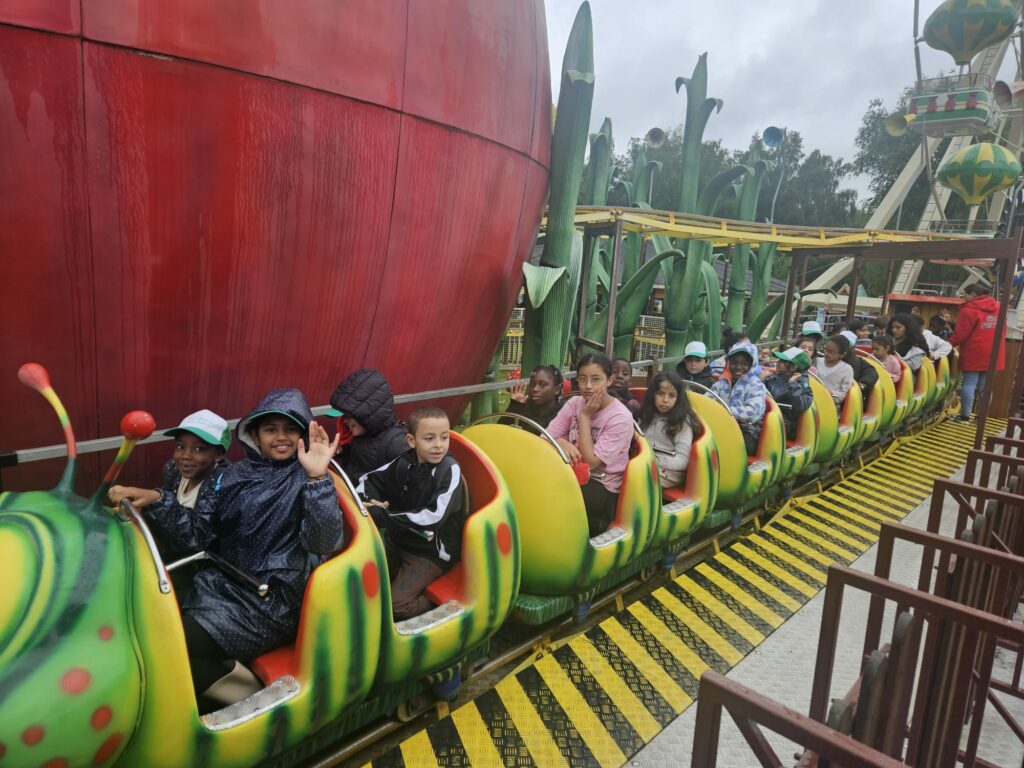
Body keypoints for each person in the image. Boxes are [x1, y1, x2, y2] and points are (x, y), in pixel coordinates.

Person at [111, 388, 344, 704]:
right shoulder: (233, 475)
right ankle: (227, 682)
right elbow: (199, 535)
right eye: (271, 429)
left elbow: (324, 541)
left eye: (291, 429)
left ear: (302, 435)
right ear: (255, 435)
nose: (281, 437)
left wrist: (318, 479)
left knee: (164, 648)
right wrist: (159, 499)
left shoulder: (306, 479)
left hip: (267, 600)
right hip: (216, 583)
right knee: (142, 629)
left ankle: (250, 695)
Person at [357, 406, 465, 620]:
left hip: (430, 552)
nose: (438, 445)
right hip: (399, 542)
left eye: (444, 438)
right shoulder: (404, 462)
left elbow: (433, 516)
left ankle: (435, 603)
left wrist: (384, 516)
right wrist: (369, 501)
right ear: (411, 441)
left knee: (396, 607)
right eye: (429, 438)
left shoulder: (449, 470)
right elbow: (367, 480)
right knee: (363, 584)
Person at [547, 354, 635, 537]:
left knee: (555, 494)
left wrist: (585, 417)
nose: (588, 386)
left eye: (596, 379)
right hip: (569, 471)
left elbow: (591, 461)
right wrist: (560, 442)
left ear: (609, 380)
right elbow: (543, 438)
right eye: (582, 379)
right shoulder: (574, 403)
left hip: (601, 483)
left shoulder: (620, 417)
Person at [110, 409, 231, 512]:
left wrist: (158, 499)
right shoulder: (173, 469)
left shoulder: (223, 488)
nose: (186, 455)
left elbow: (200, 535)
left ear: (219, 455)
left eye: (199, 449)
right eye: (180, 446)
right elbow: (170, 511)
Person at [327, 368, 409, 481]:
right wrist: (342, 452)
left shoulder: (397, 445)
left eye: (348, 416)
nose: (344, 421)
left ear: (368, 413)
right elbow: (360, 462)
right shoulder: (362, 434)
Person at [949, 283, 1006, 421]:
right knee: (985, 386)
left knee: (969, 383)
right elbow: (1004, 329)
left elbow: (961, 334)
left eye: (965, 295)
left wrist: (947, 344)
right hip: (994, 352)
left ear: (973, 294)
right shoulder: (998, 307)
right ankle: (982, 417)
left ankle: (965, 416)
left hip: (974, 351)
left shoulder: (968, 310)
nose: (963, 298)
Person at [637, 371, 695, 488]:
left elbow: (682, 461)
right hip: (644, 462)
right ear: (653, 394)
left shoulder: (682, 422)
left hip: (670, 471)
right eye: (660, 393)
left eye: (672, 395)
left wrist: (655, 460)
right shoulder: (645, 414)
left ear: (678, 399)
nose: (665, 400)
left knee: (637, 476)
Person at [710, 341, 768, 456]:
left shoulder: (756, 386)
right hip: (722, 424)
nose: (738, 367)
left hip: (747, 431)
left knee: (727, 443)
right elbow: (708, 398)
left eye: (744, 364)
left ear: (752, 365)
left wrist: (724, 410)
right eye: (734, 363)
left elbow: (753, 413)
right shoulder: (723, 382)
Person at [764, 347, 814, 440]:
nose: (778, 362)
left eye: (782, 361)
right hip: (770, 416)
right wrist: (761, 380)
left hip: (786, 423)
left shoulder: (802, 385)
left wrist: (792, 385)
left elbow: (802, 405)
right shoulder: (778, 377)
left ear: (794, 366)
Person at [504, 364, 565, 430]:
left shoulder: (564, 413)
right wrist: (514, 406)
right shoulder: (524, 406)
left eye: (542, 385)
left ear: (556, 390)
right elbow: (500, 431)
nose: (535, 389)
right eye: (532, 384)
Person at [818, 335, 854, 409]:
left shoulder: (847, 369)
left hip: (830, 406)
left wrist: (830, 393)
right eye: (825, 349)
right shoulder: (816, 361)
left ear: (842, 354)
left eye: (830, 352)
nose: (826, 353)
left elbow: (843, 395)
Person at [840, 330, 878, 398]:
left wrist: (862, 384)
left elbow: (871, 372)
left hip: (848, 396)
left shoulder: (858, 361)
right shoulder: (826, 358)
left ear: (852, 348)